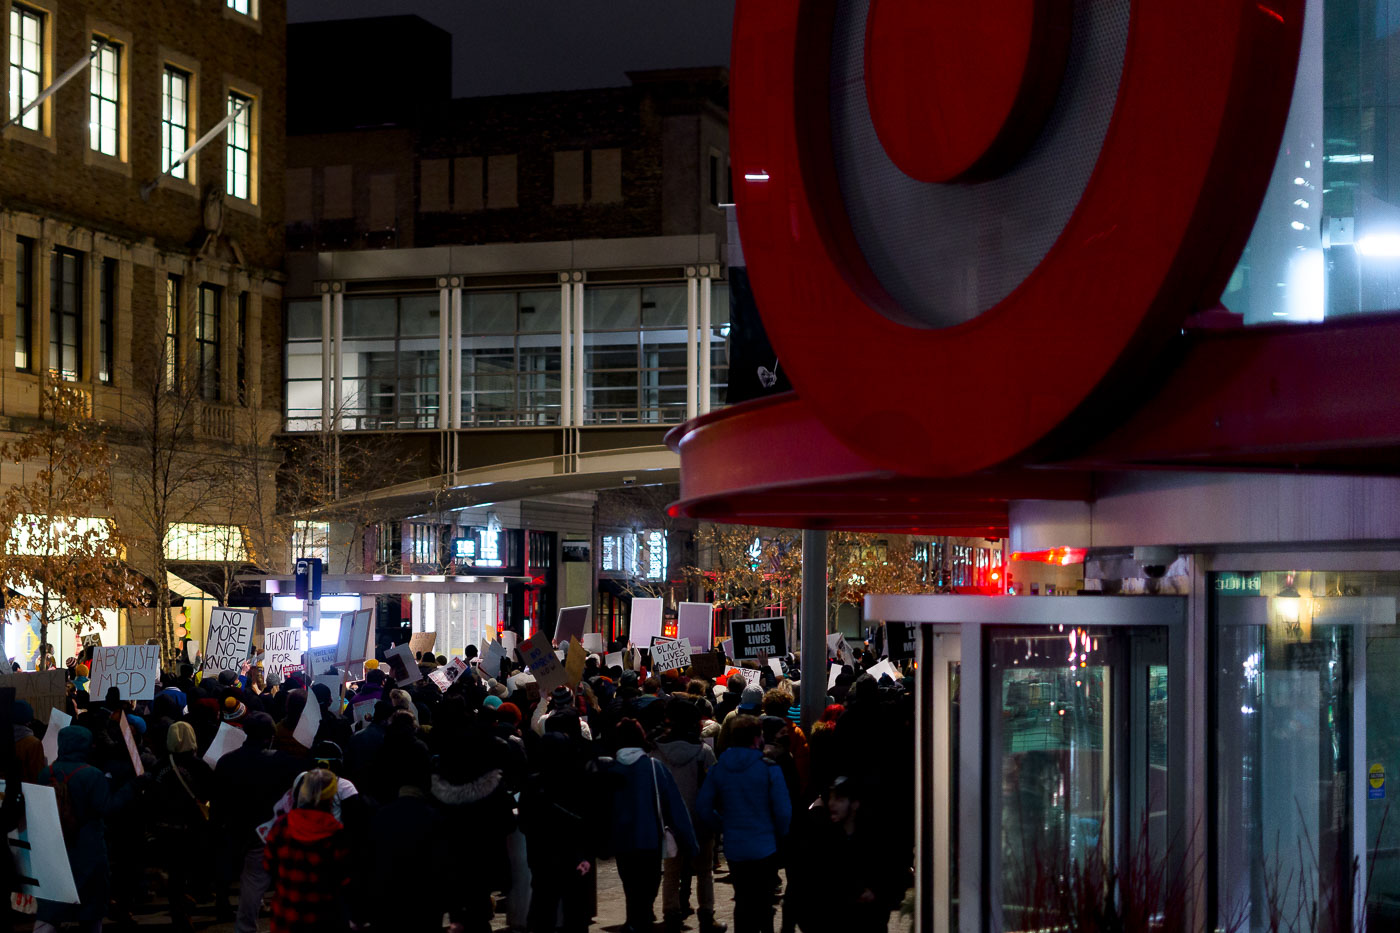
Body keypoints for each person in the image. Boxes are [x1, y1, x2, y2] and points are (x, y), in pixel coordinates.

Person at [34, 725, 139, 933]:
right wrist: (131, 787)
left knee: (52, 905)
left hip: (56, 848)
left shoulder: (46, 773)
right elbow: (107, 808)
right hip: (88, 849)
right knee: (91, 907)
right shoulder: (92, 775)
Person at [695, 716, 792, 933]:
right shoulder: (768, 768)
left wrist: (722, 826)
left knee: (742, 899)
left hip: (735, 846)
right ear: (757, 738)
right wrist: (779, 834)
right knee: (764, 902)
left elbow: (703, 806)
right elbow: (783, 811)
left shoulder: (720, 768)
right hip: (765, 845)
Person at [602, 718, 698, 933]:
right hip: (650, 839)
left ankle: (633, 921)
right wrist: (690, 842)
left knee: (630, 887)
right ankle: (641, 920)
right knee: (648, 888)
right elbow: (676, 807)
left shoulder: (611, 769)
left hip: (622, 841)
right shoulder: (654, 768)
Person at [653, 700, 725, 933]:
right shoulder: (703, 752)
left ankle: (671, 914)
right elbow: (715, 786)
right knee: (704, 872)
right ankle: (707, 916)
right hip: (699, 820)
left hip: (669, 823)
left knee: (671, 872)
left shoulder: (656, 751)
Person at [262, 768, 352, 933]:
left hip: (285, 916)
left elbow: (268, 865)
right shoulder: (336, 833)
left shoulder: (282, 825)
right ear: (331, 797)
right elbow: (343, 879)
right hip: (323, 919)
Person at [154, 722, 213, 932]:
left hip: (167, 827)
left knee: (175, 871)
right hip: (193, 827)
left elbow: (153, 795)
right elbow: (210, 793)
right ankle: (187, 905)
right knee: (194, 867)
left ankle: (177, 909)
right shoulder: (199, 766)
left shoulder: (159, 765)